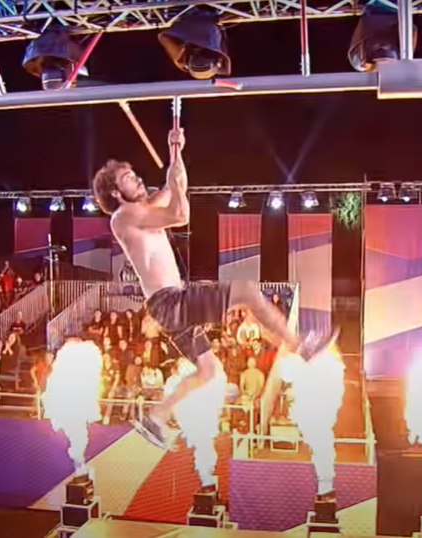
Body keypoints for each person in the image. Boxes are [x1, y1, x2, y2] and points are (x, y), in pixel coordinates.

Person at [91, 127, 339, 448]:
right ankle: (301, 346)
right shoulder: (124, 216)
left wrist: (176, 152)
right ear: (115, 192)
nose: (137, 178)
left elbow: (175, 185)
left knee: (209, 370)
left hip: (169, 306)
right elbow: (180, 213)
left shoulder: (141, 210)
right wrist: (173, 179)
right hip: (171, 302)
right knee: (246, 290)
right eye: (128, 177)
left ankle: (156, 417)